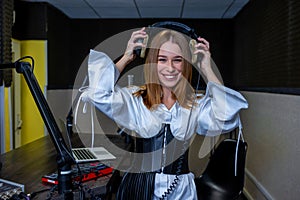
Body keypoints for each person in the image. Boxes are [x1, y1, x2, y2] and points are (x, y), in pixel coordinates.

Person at [78, 24, 248, 200]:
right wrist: (127, 57)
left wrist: (206, 68)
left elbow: (226, 113)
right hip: (139, 188)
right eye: (162, 59)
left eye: (177, 60)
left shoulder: (196, 104)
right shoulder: (136, 100)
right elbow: (98, 93)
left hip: (181, 191)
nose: (170, 68)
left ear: (186, 63)